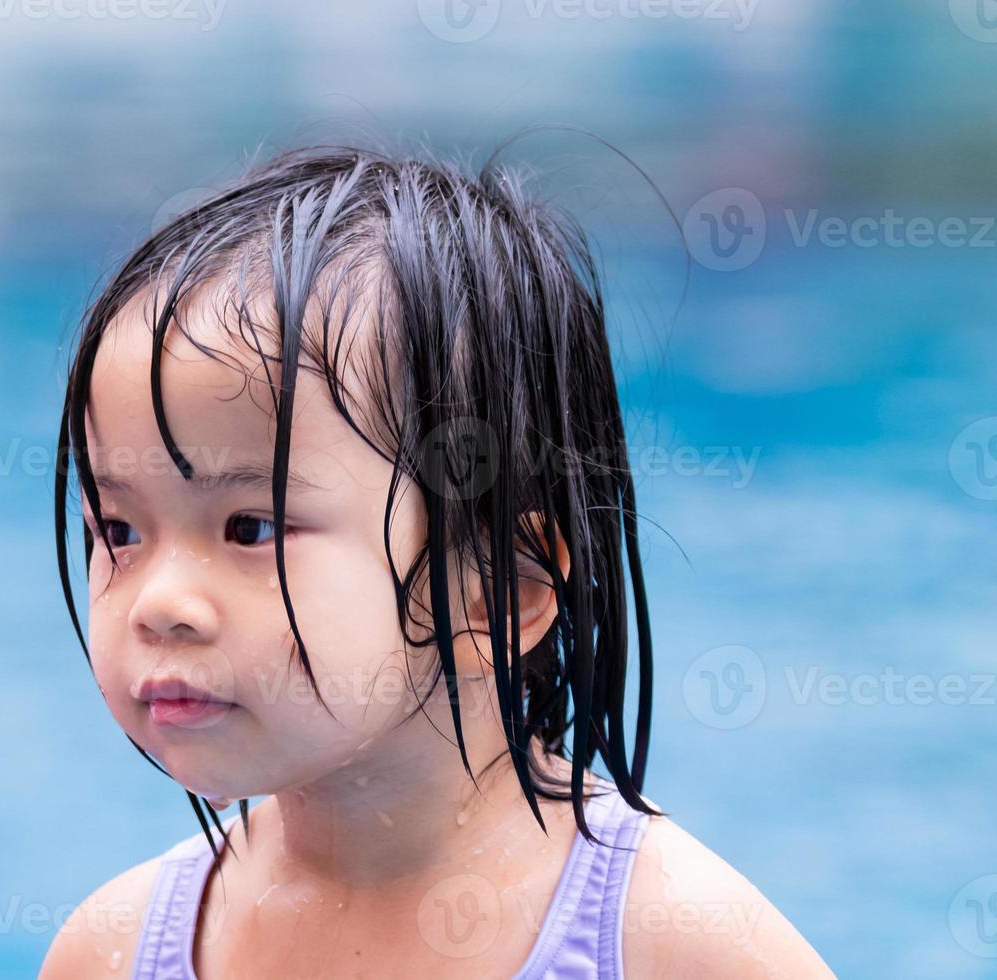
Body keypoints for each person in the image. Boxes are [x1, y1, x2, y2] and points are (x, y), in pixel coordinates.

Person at [40, 144, 835, 978]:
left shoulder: (677, 946)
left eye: (250, 528)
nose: (157, 603)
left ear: (501, 593)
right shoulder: (111, 951)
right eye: (119, 532)